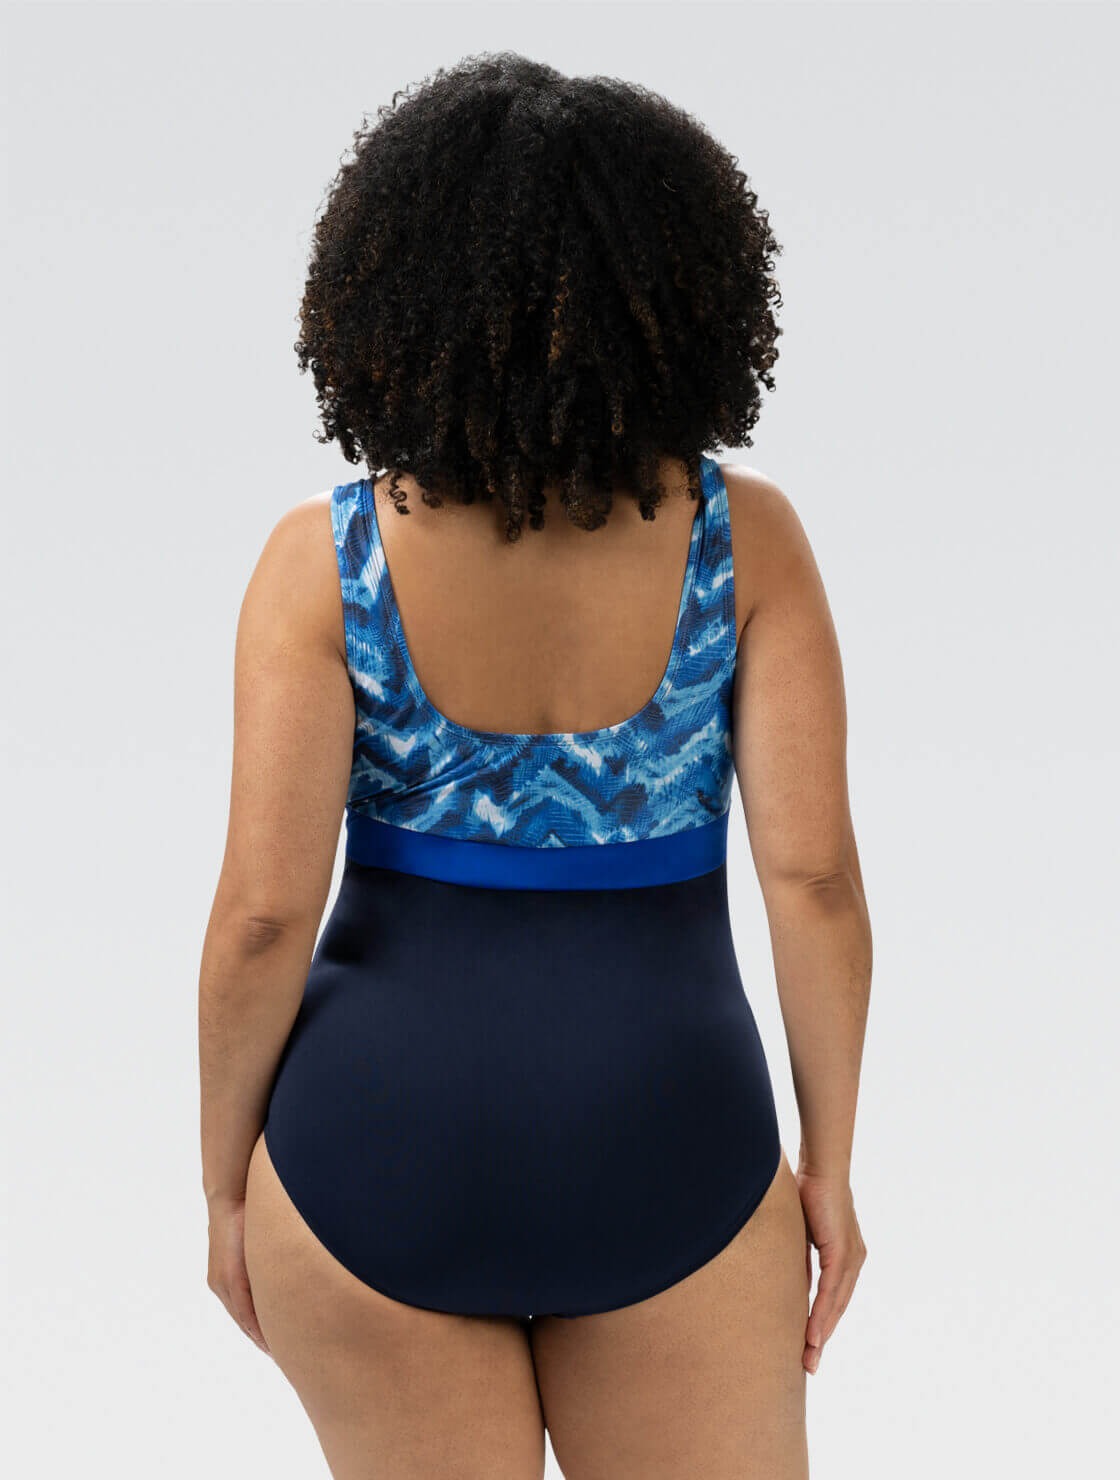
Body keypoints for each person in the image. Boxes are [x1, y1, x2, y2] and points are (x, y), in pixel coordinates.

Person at [198, 52, 871, 1480]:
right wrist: (830, 1167)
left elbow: (261, 915)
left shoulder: (325, 565)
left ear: (390, 298)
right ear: (681, 298)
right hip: (674, 1152)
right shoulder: (746, 545)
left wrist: (226, 1188)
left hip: (369, 1159)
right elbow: (812, 882)